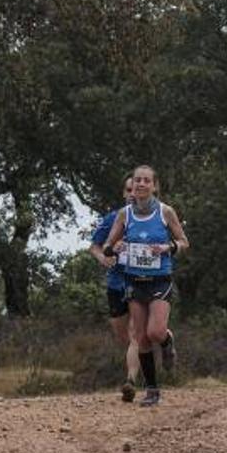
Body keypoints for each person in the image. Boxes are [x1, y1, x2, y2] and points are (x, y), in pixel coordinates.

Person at [104, 165, 189, 406]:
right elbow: (108, 246)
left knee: (155, 332)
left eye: (146, 181)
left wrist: (168, 247)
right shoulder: (124, 214)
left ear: (155, 186)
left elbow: (184, 242)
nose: (141, 184)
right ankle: (152, 390)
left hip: (159, 279)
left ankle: (167, 342)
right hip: (133, 281)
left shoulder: (165, 212)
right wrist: (115, 248)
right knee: (141, 338)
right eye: (137, 180)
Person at [88, 185, 142, 402]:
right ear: (123, 193)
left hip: (140, 281)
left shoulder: (151, 219)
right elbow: (94, 246)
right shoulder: (112, 218)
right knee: (124, 337)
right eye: (128, 189)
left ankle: (130, 380)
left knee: (135, 334)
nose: (132, 193)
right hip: (115, 283)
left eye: (136, 189)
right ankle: (145, 353)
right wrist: (104, 258)